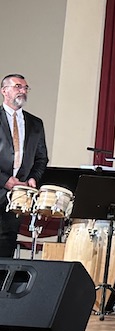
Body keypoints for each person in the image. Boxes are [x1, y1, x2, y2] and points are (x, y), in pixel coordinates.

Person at [0, 74, 49, 258]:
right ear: (4, 91)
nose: (23, 91)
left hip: (17, 197)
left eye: (25, 88)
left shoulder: (35, 123)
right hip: (2, 185)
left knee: (6, 246)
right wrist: (4, 180)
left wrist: (33, 178)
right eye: (18, 87)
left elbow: (41, 158)